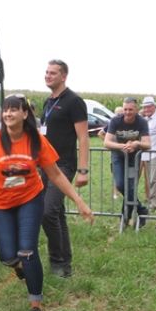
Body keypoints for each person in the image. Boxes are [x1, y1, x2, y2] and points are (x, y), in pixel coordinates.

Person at [0, 94, 93, 311]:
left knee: (27, 251)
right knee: (8, 256)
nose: (8, 114)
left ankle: (36, 307)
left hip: (29, 200)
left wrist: (78, 201)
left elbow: (55, 174)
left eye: (14, 110)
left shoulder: (35, 141)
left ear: (25, 114)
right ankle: (20, 268)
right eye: (5, 110)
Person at [39, 59, 90, 278]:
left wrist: (83, 169)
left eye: (53, 73)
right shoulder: (48, 102)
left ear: (63, 76)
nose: (48, 76)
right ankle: (62, 264)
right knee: (56, 213)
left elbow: (84, 137)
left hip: (63, 165)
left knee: (48, 211)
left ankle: (58, 261)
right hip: (44, 164)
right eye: (46, 72)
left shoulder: (74, 101)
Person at [103, 97, 151, 227]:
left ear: (136, 109)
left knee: (130, 187)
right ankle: (141, 209)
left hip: (134, 157)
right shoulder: (115, 120)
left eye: (130, 109)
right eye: (125, 109)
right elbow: (106, 142)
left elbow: (148, 144)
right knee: (120, 185)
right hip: (118, 156)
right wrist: (122, 147)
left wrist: (136, 144)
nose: (127, 112)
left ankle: (124, 218)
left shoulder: (141, 122)